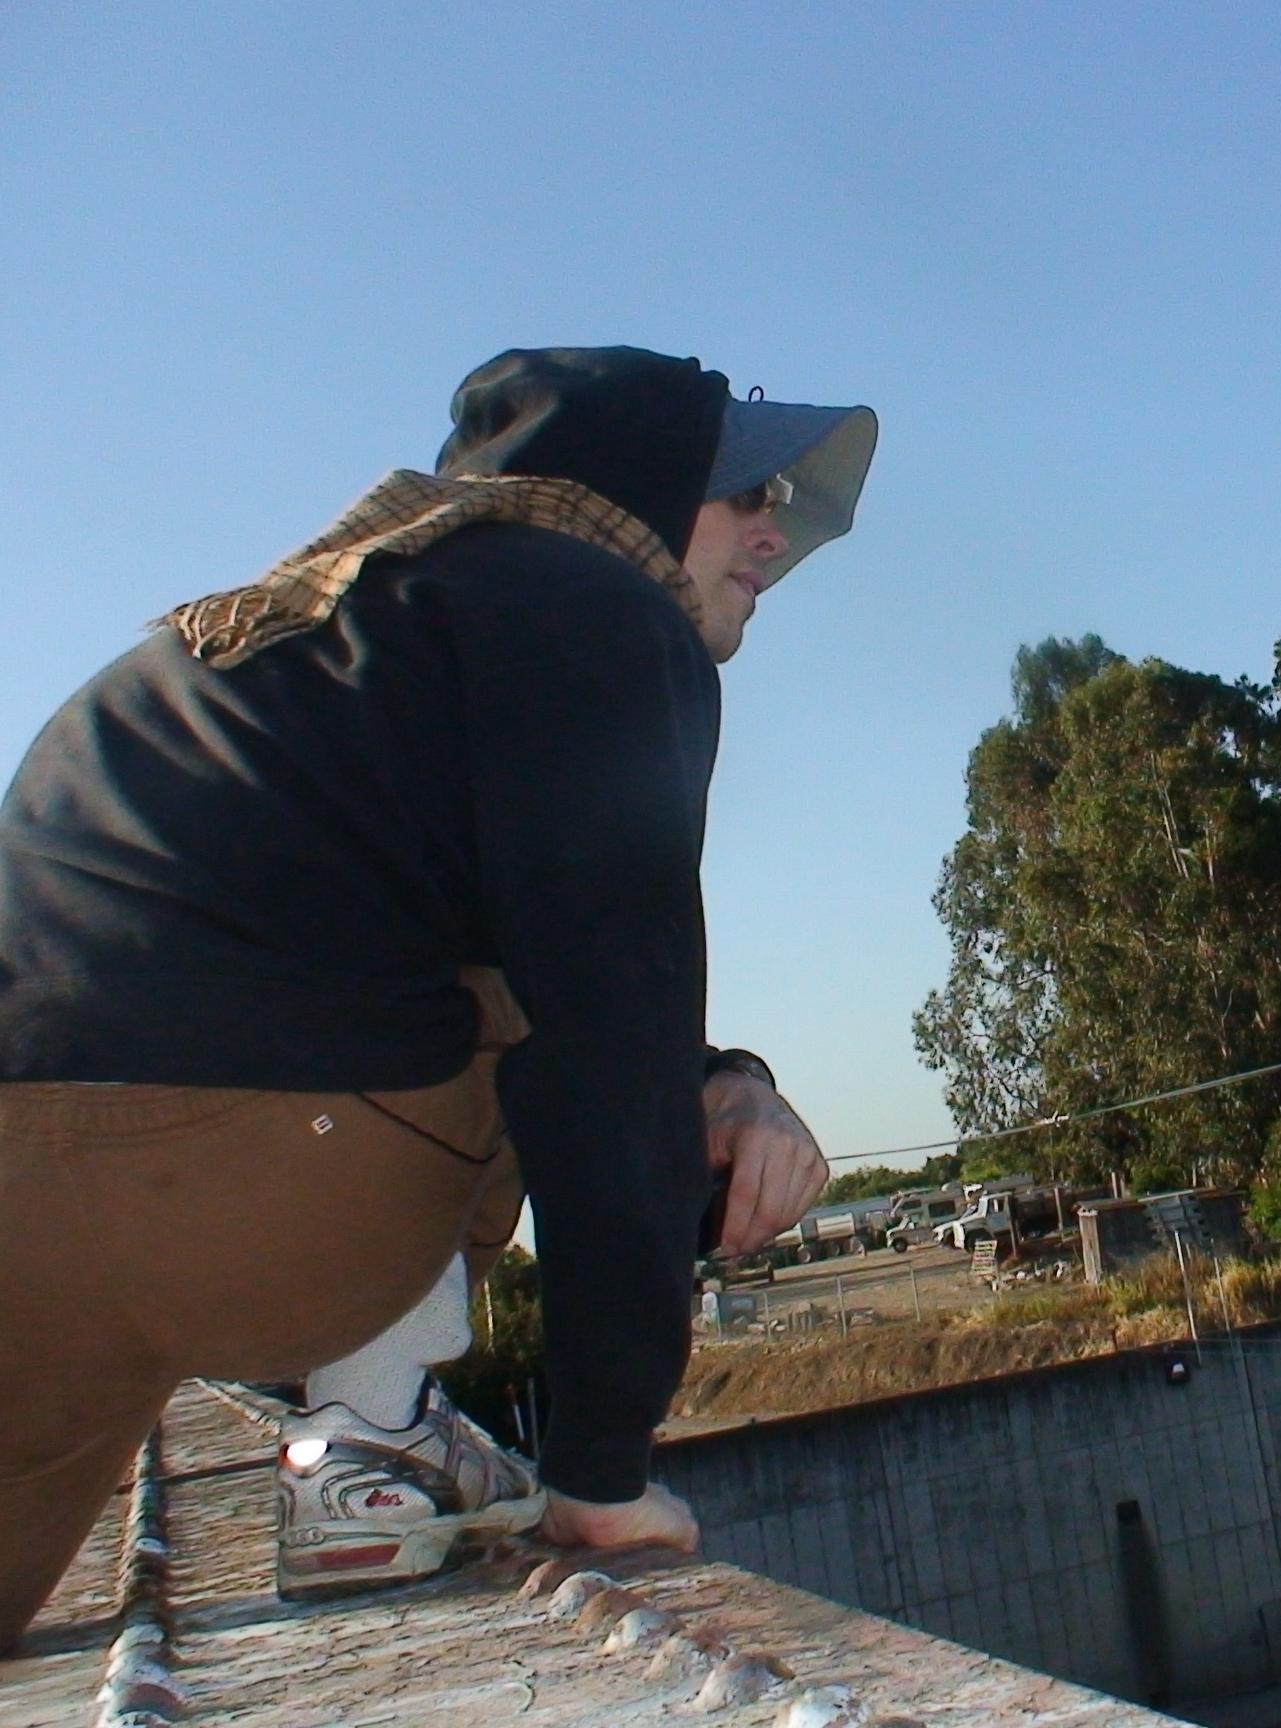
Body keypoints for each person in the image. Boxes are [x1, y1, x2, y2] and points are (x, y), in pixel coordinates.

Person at [0, 346, 875, 1646]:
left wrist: (720, 1076)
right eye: (739, 494)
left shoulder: (315, 622)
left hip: (36, 1204)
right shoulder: (599, 609)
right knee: (543, 994)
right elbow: (604, 1046)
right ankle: (368, 1440)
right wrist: (599, 1470)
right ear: (625, 500)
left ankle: (367, 1431)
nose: (771, 532)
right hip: (234, 1181)